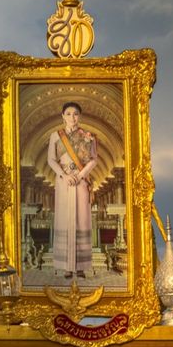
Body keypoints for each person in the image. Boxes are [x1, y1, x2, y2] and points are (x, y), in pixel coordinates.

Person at [46, 101, 97, 279]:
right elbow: (51, 160)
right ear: (62, 116)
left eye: (75, 114)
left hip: (81, 182)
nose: (72, 117)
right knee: (64, 219)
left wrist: (81, 175)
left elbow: (93, 160)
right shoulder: (55, 136)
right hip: (63, 181)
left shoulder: (88, 136)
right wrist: (64, 175)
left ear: (80, 116)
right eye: (68, 114)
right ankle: (66, 266)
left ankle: (81, 266)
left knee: (81, 220)